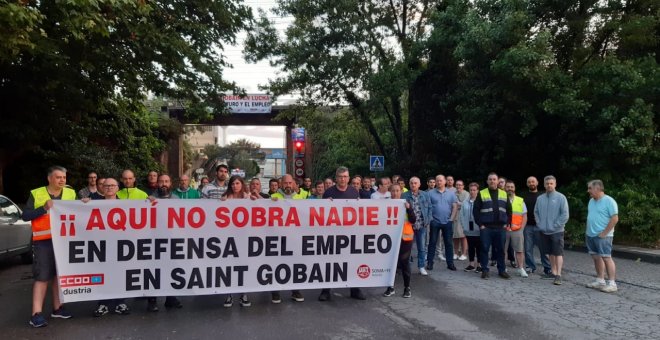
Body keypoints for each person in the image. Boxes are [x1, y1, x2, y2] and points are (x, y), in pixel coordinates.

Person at [22, 166, 76, 327]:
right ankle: (36, 313)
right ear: (49, 178)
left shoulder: (70, 193)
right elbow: (25, 216)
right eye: (58, 177)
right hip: (44, 241)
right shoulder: (37, 193)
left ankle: (57, 308)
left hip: (64, 241)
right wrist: (43, 208)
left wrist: (85, 203)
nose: (62, 180)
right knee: (42, 276)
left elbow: (79, 212)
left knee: (59, 276)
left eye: (64, 177)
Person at [85, 178, 131, 317]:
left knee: (119, 274)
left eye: (112, 185)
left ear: (118, 188)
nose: (109, 188)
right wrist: (82, 204)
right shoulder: (93, 204)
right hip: (101, 247)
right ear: (102, 188)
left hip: (120, 246)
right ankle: (103, 303)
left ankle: (120, 302)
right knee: (102, 274)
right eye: (106, 185)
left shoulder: (127, 205)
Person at [318, 166, 365, 301]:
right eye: (340, 177)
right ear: (336, 178)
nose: (343, 179)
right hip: (332, 235)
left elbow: (360, 212)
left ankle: (355, 289)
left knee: (352, 262)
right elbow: (322, 213)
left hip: (350, 235)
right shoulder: (329, 193)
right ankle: (326, 290)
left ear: (348, 178)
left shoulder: (354, 192)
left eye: (345, 176)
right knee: (330, 263)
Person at [147, 174, 183, 311]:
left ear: (170, 184)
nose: (164, 184)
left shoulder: (176, 199)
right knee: (153, 271)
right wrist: (147, 202)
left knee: (171, 269)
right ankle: (152, 300)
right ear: (157, 183)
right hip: (153, 241)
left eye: (166, 181)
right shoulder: (150, 198)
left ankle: (170, 298)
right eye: (161, 181)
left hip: (171, 241)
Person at [221, 176, 258, 307]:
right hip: (229, 238)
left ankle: (243, 294)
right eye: (232, 184)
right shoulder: (225, 198)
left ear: (242, 184)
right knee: (229, 266)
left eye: (237, 183)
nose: (234, 186)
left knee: (243, 267)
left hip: (244, 238)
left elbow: (265, 206)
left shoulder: (248, 198)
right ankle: (229, 294)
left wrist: (257, 200)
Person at [270, 174, 306, 303]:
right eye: (285, 183)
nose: (288, 185)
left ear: (294, 184)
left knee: (295, 265)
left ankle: (295, 290)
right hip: (278, 238)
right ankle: (275, 292)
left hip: (295, 238)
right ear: (281, 184)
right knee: (276, 265)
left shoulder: (300, 198)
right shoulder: (273, 198)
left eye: (290, 183)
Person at [473, 172, 511, 280]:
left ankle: (502, 270)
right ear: (487, 181)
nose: (492, 181)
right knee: (484, 249)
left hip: (500, 227)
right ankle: (484, 270)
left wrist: (507, 223)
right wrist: (480, 224)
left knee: (501, 250)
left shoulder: (504, 194)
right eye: (490, 179)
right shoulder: (482, 193)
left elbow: (509, 210)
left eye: (494, 179)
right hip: (486, 228)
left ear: (498, 181)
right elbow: (476, 210)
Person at [585, 180, 619, 293]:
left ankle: (612, 284)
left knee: (606, 257)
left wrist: (604, 233)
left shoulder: (609, 201)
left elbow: (615, 219)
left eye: (590, 188)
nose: (588, 190)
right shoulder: (591, 201)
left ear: (598, 188)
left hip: (604, 236)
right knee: (596, 257)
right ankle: (600, 280)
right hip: (591, 234)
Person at [534, 175, 569, 285]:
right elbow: (536, 212)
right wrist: (540, 224)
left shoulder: (561, 197)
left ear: (555, 184)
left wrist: (556, 225)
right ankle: (553, 272)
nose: (549, 185)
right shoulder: (540, 198)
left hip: (557, 231)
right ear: (544, 185)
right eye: (547, 183)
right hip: (544, 231)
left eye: (551, 183)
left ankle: (558, 275)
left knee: (558, 253)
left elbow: (565, 214)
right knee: (549, 253)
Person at [383, 184, 415, 298]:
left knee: (404, 262)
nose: (395, 193)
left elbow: (413, 220)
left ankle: (407, 288)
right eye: (393, 191)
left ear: (401, 191)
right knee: (391, 262)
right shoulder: (385, 204)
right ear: (389, 192)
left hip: (405, 238)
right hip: (390, 238)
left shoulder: (406, 203)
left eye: (397, 191)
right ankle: (390, 287)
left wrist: (409, 209)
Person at [426, 174, 458, 271]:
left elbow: (455, 206)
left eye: (440, 180)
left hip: (447, 221)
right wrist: (431, 219)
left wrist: (451, 219)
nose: (439, 182)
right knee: (432, 242)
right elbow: (427, 207)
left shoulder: (451, 193)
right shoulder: (430, 193)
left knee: (448, 243)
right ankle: (430, 263)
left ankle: (450, 263)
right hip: (434, 221)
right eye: (437, 180)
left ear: (444, 181)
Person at [403, 177, 432, 275]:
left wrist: (428, 220)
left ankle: (421, 266)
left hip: (421, 225)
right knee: (408, 248)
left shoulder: (425, 195)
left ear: (419, 184)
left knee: (422, 247)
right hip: (409, 225)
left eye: (415, 183)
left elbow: (430, 208)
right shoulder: (404, 195)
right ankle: (407, 266)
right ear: (409, 184)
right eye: (411, 183)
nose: (413, 185)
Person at [523, 176, 551, 275]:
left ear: (537, 183)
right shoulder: (524, 197)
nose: (531, 183)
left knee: (543, 248)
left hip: (541, 226)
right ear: (527, 184)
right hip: (527, 226)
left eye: (533, 181)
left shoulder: (543, 196)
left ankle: (547, 267)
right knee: (527, 248)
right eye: (529, 182)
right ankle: (530, 266)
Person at [504, 180, 528, 278]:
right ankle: (503, 267)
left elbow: (524, 216)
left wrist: (522, 228)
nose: (510, 188)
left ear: (514, 188)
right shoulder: (501, 200)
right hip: (504, 229)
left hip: (517, 230)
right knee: (502, 250)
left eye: (511, 187)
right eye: (508, 187)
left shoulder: (520, 200)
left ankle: (521, 268)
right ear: (505, 188)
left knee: (519, 250)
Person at [460, 182, 481, 272]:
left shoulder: (481, 201)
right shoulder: (465, 202)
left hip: (478, 228)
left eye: (474, 190)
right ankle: (471, 264)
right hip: (468, 228)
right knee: (471, 247)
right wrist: (464, 226)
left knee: (479, 247)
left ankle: (479, 265)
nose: (472, 192)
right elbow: (461, 215)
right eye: (471, 190)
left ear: (477, 191)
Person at [453, 180, 469, 261]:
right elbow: (451, 204)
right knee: (455, 236)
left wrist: (457, 204)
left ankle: (464, 254)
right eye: (457, 185)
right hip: (454, 216)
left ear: (463, 186)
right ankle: (455, 253)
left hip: (463, 217)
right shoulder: (453, 193)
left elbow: (466, 204)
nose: (458, 186)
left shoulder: (466, 194)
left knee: (463, 236)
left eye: (460, 185)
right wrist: (458, 204)